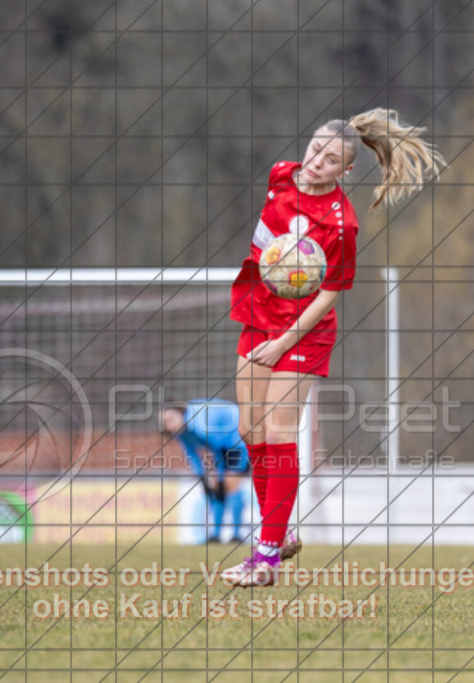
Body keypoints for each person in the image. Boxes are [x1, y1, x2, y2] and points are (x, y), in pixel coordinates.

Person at [221, 109, 445, 587]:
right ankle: (276, 535)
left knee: (281, 434)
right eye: (316, 150)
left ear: (345, 171)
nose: (317, 161)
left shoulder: (342, 223)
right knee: (251, 431)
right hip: (257, 316)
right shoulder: (281, 176)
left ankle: (264, 560)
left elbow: (328, 294)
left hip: (305, 330)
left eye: (331, 160)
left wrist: (285, 339)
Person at [160, 400, 250, 543]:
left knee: (230, 485)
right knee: (215, 489)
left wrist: (215, 476)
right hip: (222, 448)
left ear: (180, 413)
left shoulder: (199, 423)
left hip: (238, 443)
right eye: (165, 423)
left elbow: (216, 447)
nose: (169, 425)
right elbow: (192, 455)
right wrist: (204, 478)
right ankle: (216, 534)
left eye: (171, 419)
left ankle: (237, 534)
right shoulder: (181, 433)